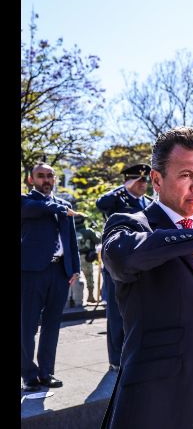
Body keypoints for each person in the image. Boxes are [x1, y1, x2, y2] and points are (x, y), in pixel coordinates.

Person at [100, 127, 193, 428]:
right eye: (186, 175)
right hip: (156, 402)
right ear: (156, 179)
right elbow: (121, 258)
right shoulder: (132, 225)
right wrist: (192, 237)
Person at [21, 164, 84, 392]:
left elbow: (71, 241)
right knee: (27, 326)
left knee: (52, 326)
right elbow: (39, 208)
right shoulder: (26, 202)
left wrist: (75, 268)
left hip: (60, 273)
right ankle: (29, 375)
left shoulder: (64, 206)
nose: (46, 180)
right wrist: (60, 208)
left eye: (50, 176)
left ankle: (46, 372)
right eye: (41, 176)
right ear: (31, 180)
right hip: (31, 273)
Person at [96, 163, 154, 371]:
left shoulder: (148, 203)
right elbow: (100, 204)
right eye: (138, 180)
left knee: (140, 311)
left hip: (142, 263)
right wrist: (123, 188)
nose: (143, 184)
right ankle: (116, 359)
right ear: (128, 181)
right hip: (118, 264)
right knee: (116, 313)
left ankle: (136, 353)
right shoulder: (117, 199)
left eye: (145, 180)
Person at [74, 216, 101, 304]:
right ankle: (90, 297)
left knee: (74, 279)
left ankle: (75, 299)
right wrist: (95, 230)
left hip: (74, 258)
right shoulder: (89, 231)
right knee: (89, 277)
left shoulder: (72, 231)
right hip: (86, 258)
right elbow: (98, 240)